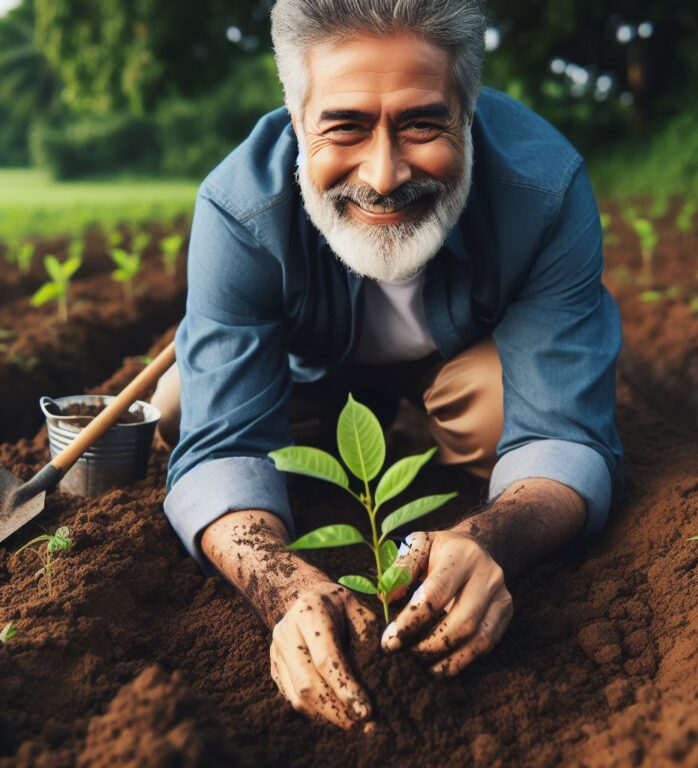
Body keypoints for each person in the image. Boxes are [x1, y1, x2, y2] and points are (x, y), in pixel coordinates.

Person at [151, 0, 623, 730]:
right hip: (312, 377)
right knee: (181, 400)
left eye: (422, 123)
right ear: (294, 116)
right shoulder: (238, 206)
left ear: (469, 111)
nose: (384, 172)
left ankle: (439, 435)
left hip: (461, 367)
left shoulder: (544, 188)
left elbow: (566, 430)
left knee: (503, 412)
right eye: (344, 125)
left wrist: (488, 539)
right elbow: (223, 444)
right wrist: (283, 588)